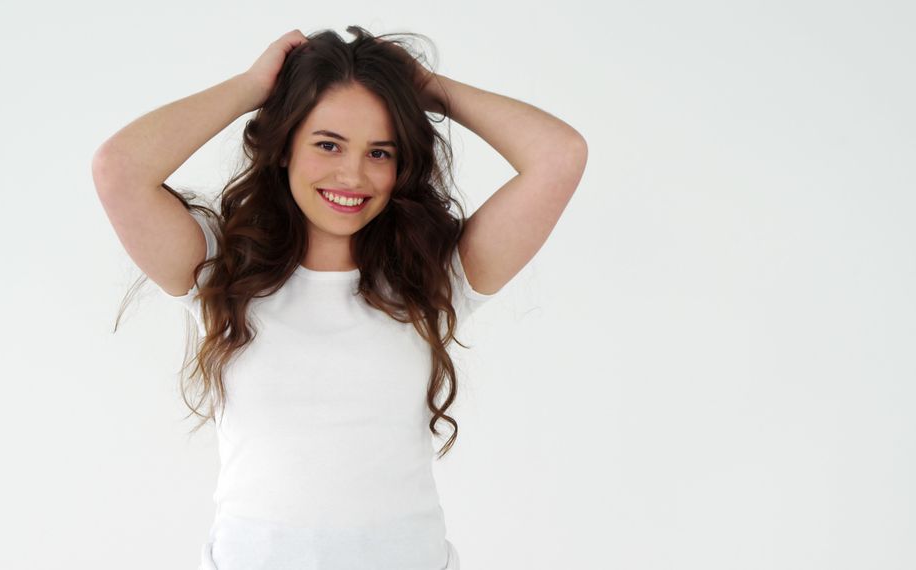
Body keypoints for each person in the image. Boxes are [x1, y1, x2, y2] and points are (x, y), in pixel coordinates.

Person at [92, 25, 587, 570]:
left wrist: (426, 87)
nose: (353, 174)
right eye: (328, 144)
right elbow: (119, 170)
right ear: (284, 147)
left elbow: (560, 156)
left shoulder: (434, 279)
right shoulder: (223, 273)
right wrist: (252, 87)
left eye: (380, 152)